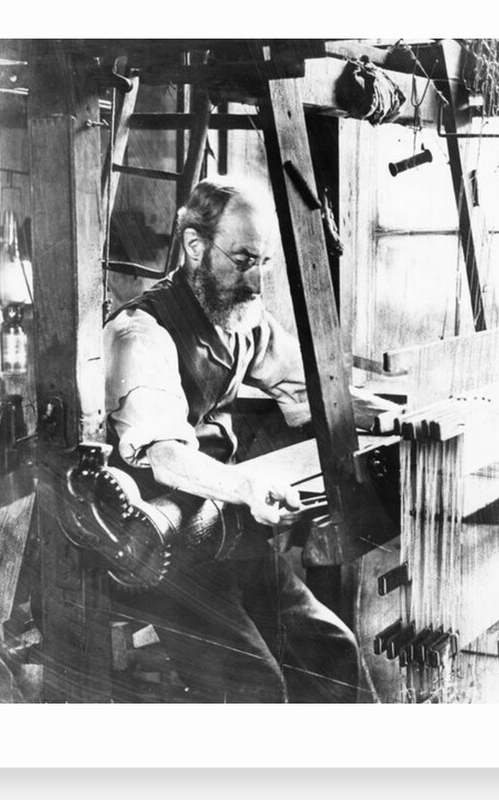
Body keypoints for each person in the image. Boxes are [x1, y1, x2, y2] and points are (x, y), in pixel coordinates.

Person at [103, 175, 397, 703]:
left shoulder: (242, 318)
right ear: (195, 247)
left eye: (264, 263)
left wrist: (395, 416)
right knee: (255, 687)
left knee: (333, 651)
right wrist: (246, 488)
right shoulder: (139, 332)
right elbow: (165, 456)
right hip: (159, 551)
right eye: (243, 261)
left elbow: (312, 389)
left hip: (226, 530)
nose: (257, 282)